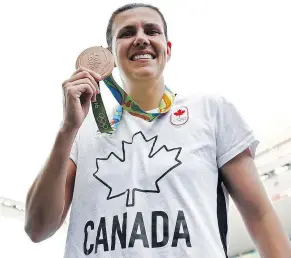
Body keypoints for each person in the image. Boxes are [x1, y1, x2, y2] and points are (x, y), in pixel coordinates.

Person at [24, 3, 291, 258]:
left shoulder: (211, 111)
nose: (141, 38)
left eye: (151, 31)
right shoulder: (82, 130)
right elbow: (37, 228)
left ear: (168, 48)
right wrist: (67, 129)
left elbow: (260, 216)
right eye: (127, 33)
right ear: (110, 57)